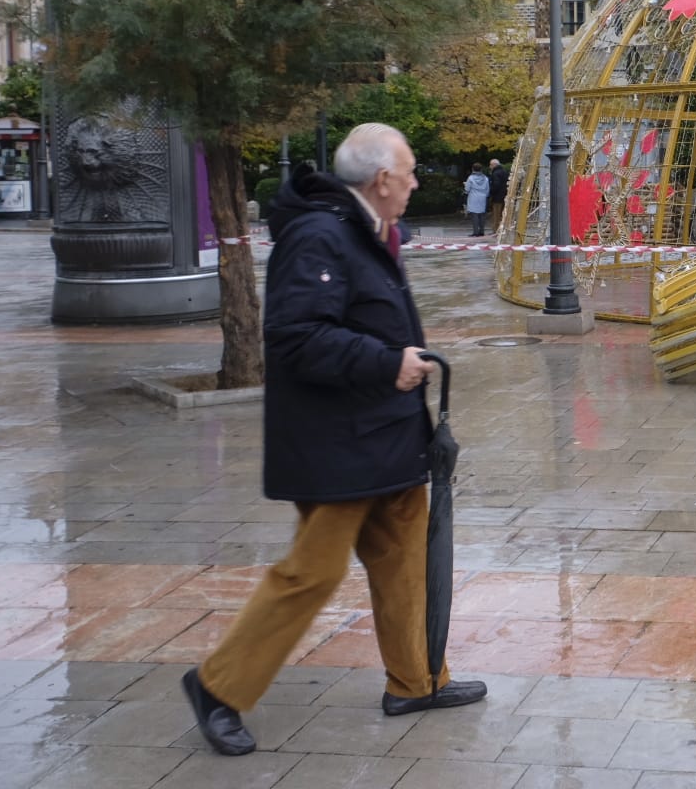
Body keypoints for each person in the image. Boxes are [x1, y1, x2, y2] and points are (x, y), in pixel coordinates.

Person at [181, 123, 486, 757]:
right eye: (409, 173)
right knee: (311, 574)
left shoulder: (363, 229)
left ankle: (417, 681)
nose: (415, 183)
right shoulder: (321, 236)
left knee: (404, 561)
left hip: (386, 435)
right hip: (338, 445)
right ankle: (219, 686)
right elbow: (295, 338)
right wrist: (386, 363)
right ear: (381, 181)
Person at [463, 162, 490, 237]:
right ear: (481, 169)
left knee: (474, 215)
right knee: (482, 215)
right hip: (483, 197)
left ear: (472, 169)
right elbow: (487, 189)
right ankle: (482, 231)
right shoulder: (485, 178)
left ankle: (475, 232)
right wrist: (486, 196)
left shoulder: (470, 178)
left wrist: (465, 186)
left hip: (473, 197)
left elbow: (467, 189)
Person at [487, 157, 508, 227]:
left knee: (496, 214)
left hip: (497, 197)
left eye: (490, 165)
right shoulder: (504, 171)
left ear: (494, 165)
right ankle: (503, 228)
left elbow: (496, 185)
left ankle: (496, 229)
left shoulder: (495, 173)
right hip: (504, 195)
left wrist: (491, 192)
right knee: (503, 214)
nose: (490, 167)